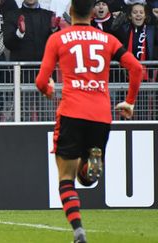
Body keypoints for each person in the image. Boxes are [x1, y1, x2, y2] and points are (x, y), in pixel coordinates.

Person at [35, 0, 142, 242]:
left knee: (66, 178)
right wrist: (130, 101)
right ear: (93, 13)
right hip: (101, 114)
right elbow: (136, 68)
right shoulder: (108, 40)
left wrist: (48, 89)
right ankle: (91, 165)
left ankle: (78, 230)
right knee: (86, 176)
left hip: (72, 111)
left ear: (70, 11)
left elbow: (42, 80)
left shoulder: (59, 38)